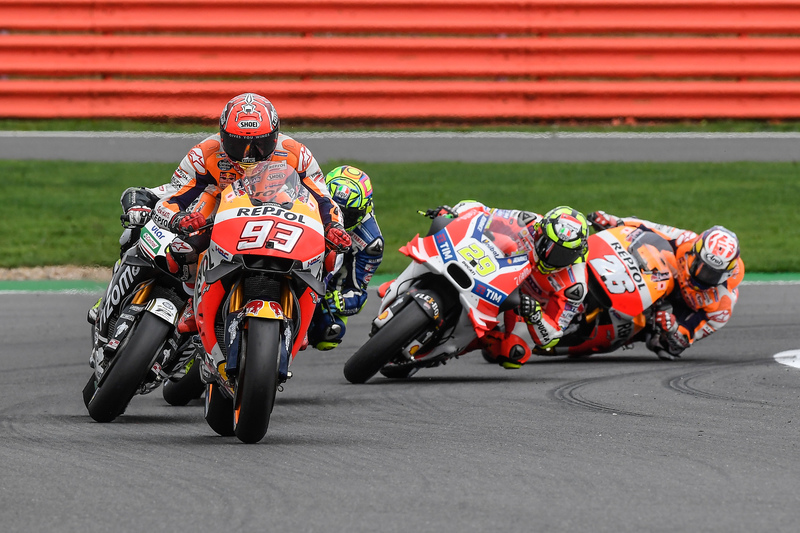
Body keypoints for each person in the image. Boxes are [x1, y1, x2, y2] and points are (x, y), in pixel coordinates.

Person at [427, 201, 590, 369]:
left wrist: (535, 315)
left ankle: (449, 348)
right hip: (495, 271)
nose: (550, 257)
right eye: (547, 245)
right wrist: (453, 213)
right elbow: (483, 212)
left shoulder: (575, 285)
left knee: (514, 352)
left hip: (522, 305)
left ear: (579, 253)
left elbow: (552, 336)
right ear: (540, 232)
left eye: (563, 254)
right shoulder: (528, 222)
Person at [586, 211, 744, 360]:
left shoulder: (722, 307)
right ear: (694, 253)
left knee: (664, 348)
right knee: (651, 252)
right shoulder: (686, 240)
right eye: (700, 266)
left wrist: (673, 328)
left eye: (712, 274)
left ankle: (635, 331)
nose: (703, 276)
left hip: (680, 311)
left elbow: (685, 338)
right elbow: (649, 227)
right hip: (669, 279)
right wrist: (614, 221)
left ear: (725, 275)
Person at [306, 165, 384, 350]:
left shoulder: (370, 242)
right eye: (334, 208)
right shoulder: (305, 197)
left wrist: (338, 301)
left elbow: (358, 294)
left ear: (364, 210)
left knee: (329, 335)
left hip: (326, 284)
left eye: (348, 215)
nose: (339, 220)